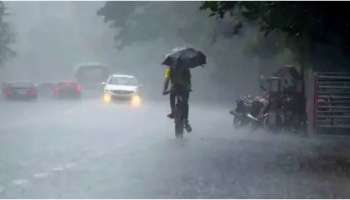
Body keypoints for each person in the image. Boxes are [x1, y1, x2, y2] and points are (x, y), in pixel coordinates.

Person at [162, 65, 192, 132]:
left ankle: (173, 112)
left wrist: (164, 89)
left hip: (174, 89)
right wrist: (189, 88)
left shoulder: (170, 69)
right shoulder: (186, 68)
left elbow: (167, 79)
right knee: (185, 103)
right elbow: (189, 79)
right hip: (184, 89)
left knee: (172, 96)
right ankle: (186, 121)